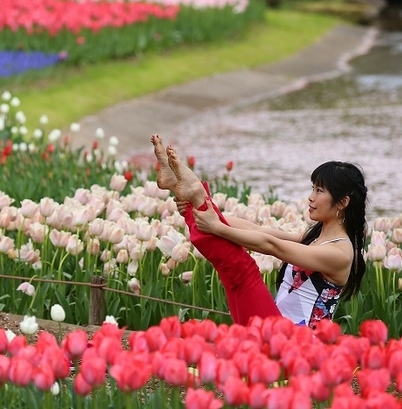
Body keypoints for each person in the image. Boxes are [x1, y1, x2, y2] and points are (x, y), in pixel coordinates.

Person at [150, 134, 368, 329]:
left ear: (342, 202)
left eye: (319, 190)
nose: (311, 196)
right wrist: (203, 212)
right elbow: (257, 229)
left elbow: (271, 246)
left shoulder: (340, 253)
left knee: (243, 272)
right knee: (230, 273)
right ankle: (192, 197)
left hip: (299, 348)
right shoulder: (314, 239)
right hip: (277, 329)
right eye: (313, 188)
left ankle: (196, 195)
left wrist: (216, 225)